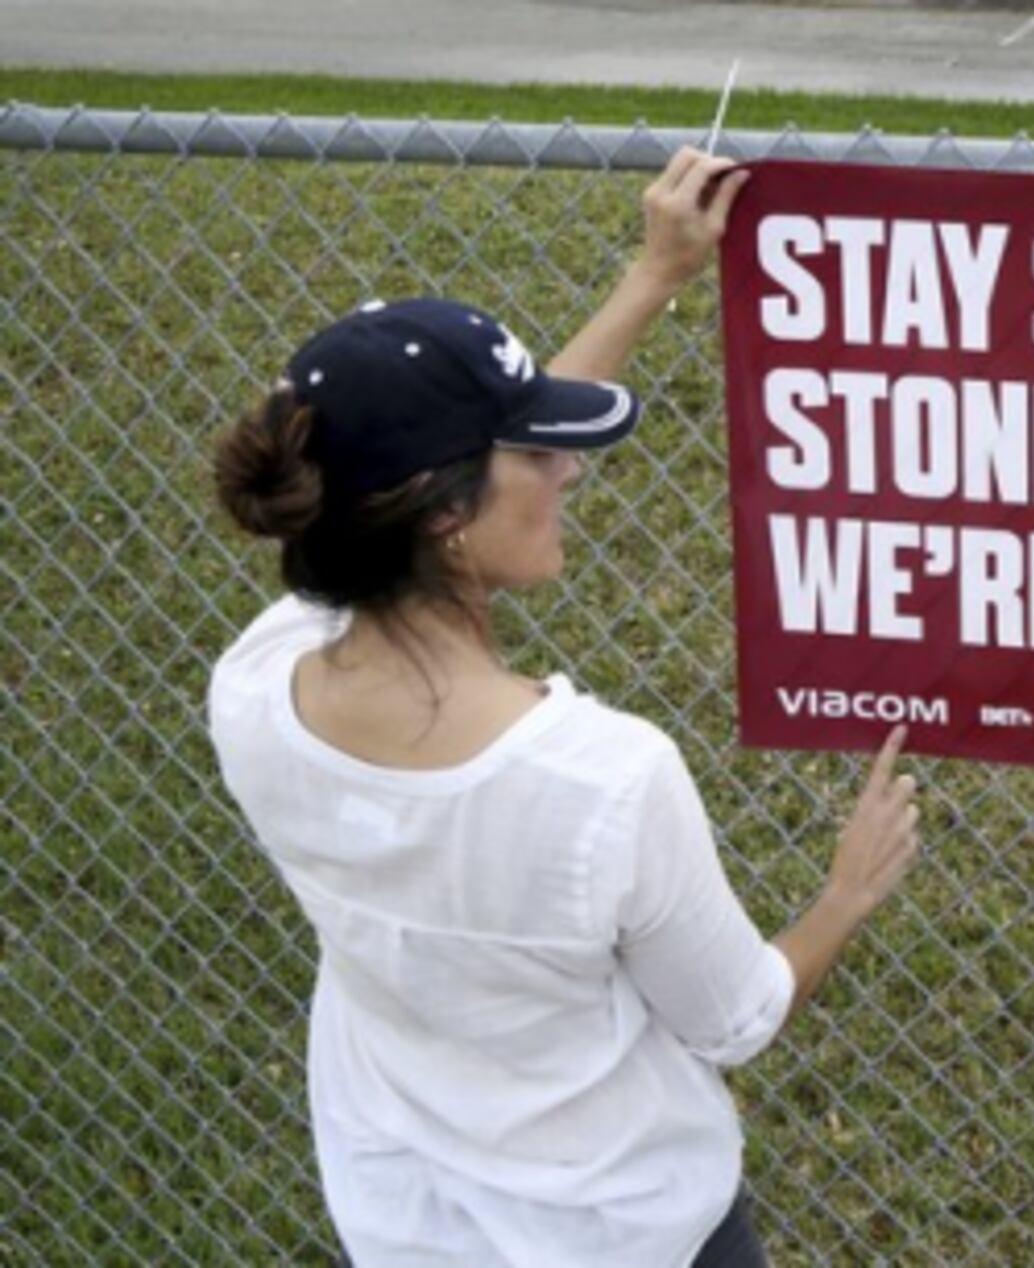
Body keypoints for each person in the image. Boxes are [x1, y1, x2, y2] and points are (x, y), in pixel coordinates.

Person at [206, 148, 921, 1267]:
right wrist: (845, 889)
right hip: (626, 1235)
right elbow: (735, 1018)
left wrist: (656, 275)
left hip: (404, 1228)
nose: (568, 471)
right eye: (534, 453)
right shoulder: (601, 779)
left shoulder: (256, 685)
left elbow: (450, 472)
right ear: (443, 514)